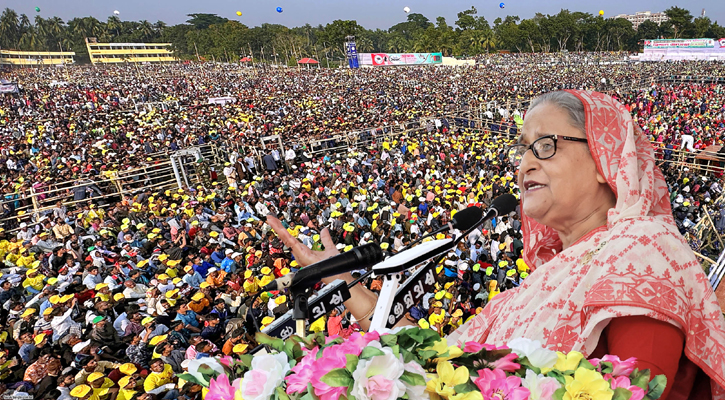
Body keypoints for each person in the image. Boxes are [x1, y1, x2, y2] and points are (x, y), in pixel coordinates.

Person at [450, 91, 725, 398]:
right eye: (523, 148)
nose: (525, 163)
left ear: (603, 156)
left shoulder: (644, 248)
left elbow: (636, 389)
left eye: (544, 146)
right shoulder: (545, 277)